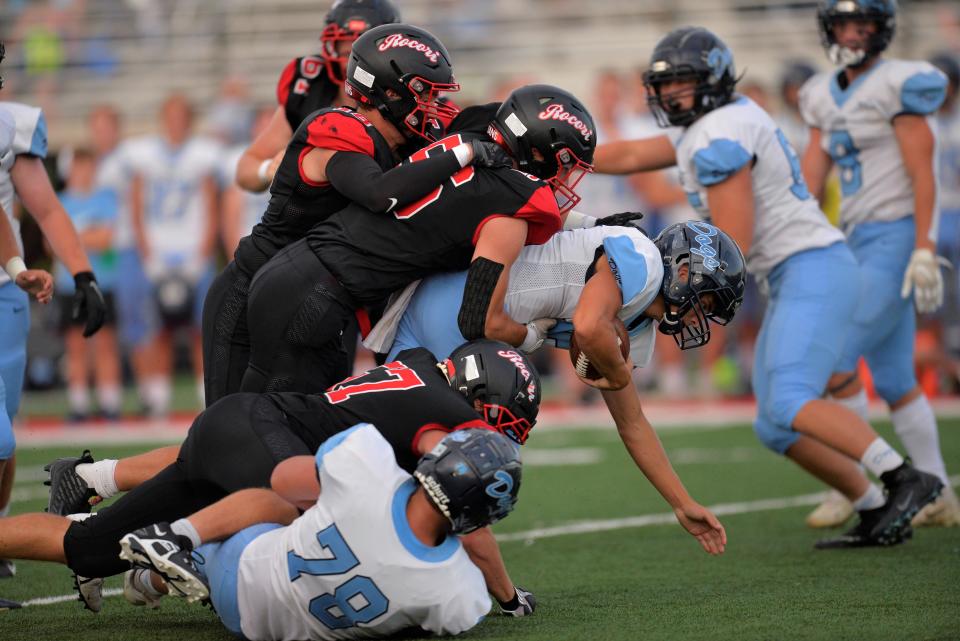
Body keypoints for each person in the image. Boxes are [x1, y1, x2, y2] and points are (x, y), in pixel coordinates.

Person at [591, 26, 942, 549]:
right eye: (664, 86)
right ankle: (873, 506)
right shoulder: (712, 125)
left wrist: (678, 297)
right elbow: (625, 156)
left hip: (810, 268)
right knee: (775, 426)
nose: (669, 96)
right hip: (799, 272)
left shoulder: (718, 135)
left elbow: (731, 244)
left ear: (711, 79)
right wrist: (545, 149)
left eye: (681, 84)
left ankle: (904, 478)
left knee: (790, 401)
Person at [33, 340, 539, 614]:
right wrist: (508, 596)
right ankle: (176, 545)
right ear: (480, 396)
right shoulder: (447, 413)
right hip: (265, 435)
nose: (494, 436)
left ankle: (130, 539)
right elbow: (464, 493)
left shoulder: (420, 363)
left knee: (88, 548)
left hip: (243, 427)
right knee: (299, 507)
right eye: (499, 419)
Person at [368, 219, 743, 554]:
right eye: (706, 299)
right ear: (681, 271)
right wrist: (618, 374)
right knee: (481, 467)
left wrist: (681, 502)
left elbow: (632, 422)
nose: (702, 314)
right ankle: (449, 571)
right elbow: (588, 325)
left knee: (395, 452)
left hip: (450, 314)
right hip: (457, 313)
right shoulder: (642, 262)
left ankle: (385, 552)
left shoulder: (639, 323)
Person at [202, 22, 509, 405]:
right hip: (253, 290)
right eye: (424, 94)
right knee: (232, 429)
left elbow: (467, 122)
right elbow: (379, 193)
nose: (432, 106)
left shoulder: (399, 133)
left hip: (324, 298)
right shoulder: (339, 126)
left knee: (311, 428)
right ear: (390, 93)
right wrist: (463, 153)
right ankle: (106, 470)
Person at [241, 72, 595, 396]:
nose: (564, 180)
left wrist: (590, 223)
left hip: (301, 276)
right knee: (286, 428)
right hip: (319, 292)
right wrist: (533, 335)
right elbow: (478, 318)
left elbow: (468, 202)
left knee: (266, 419)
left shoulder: (470, 137)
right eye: (564, 165)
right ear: (535, 152)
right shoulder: (515, 196)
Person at [118, 426, 522, 639]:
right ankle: (155, 575)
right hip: (261, 629)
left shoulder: (370, 462)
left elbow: (282, 480)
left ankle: (176, 541)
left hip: (243, 569)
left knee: (283, 504)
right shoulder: (459, 593)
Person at [799, 0, 959, 528]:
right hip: (853, 239)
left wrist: (924, 246)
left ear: (882, 28)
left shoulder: (901, 83)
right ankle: (937, 490)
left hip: (894, 239)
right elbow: (810, 180)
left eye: (863, 22)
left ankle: (857, 484)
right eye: (844, 22)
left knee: (834, 356)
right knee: (893, 376)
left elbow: (924, 171)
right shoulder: (821, 92)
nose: (852, 31)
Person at [0, 40, 107, 579]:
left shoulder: (10, 125)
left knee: (4, 432)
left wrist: (81, 272)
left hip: (2, 288)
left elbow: (38, 206)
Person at [235, 0, 400, 192]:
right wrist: (268, 169)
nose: (355, 65)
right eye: (348, 54)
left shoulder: (409, 98)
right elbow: (246, 167)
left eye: (366, 55)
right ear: (332, 49)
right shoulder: (309, 90)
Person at [53, 148, 121, 421]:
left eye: (88, 166)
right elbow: (50, 244)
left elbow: (105, 239)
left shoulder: (105, 198)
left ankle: (109, 402)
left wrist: (71, 238)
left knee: (105, 344)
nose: (84, 173)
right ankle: (79, 404)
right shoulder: (59, 201)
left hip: (102, 280)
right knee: (75, 346)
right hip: (70, 284)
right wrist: (85, 237)